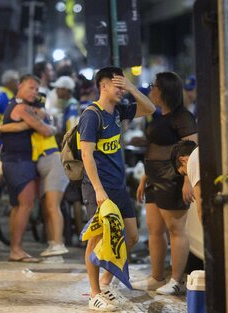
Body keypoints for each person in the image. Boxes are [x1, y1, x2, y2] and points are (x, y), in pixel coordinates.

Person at [78, 66, 155, 311]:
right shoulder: (92, 115)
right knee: (97, 239)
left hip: (119, 187)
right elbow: (87, 156)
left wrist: (132, 87)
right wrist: (99, 190)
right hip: (98, 188)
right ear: (103, 86)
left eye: (123, 87)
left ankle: (106, 283)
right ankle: (94, 294)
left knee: (130, 236)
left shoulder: (119, 110)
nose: (122, 91)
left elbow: (150, 108)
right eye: (118, 86)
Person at [133, 72, 197, 295]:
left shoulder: (183, 117)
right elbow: (154, 149)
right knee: (154, 229)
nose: (151, 89)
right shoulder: (160, 116)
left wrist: (187, 180)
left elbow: (192, 151)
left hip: (172, 178)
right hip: (153, 177)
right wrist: (144, 177)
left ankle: (177, 279)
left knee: (176, 229)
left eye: (154, 86)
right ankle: (156, 277)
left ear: (164, 90)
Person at [0, 93, 69, 258]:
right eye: (33, 108)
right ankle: (53, 244)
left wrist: (0, 128)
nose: (34, 110)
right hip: (44, 164)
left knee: (52, 206)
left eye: (36, 108)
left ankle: (57, 243)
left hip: (52, 162)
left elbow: (21, 127)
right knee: (47, 207)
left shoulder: (39, 121)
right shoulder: (37, 121)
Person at [0, 74, 56, 262]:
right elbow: (46, 130)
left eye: (37, 90)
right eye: (31, 88)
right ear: (20, 86)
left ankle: (15, 249)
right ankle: (16, 249)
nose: (34, 92)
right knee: (26, 205)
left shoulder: (12, 103)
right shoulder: (22, 107)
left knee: (18, 206)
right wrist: (52, 125)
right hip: (19, 162)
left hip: (13, 160)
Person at [171, 140, 202, 221]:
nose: (188, 175)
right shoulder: (203, 148)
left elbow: (201, 210)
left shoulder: (193, 160)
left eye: (185, 173)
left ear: (183, 160)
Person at [0, 69, 19, 150]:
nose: (18, 83)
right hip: (3, 135)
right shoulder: (5, 97)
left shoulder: (1, 94)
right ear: (9, 82)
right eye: (16, 80)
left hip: (0, 133)